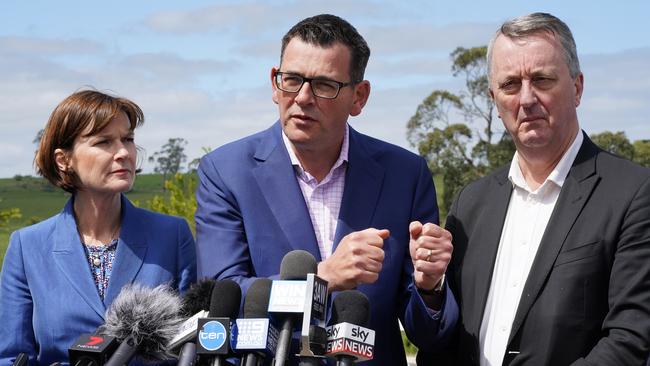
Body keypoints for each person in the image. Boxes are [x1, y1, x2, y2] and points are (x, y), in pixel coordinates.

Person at [195, 14, 457, 365]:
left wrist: (430, 287)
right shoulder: (226, 172)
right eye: (291, 80)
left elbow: (429, 334)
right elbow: (221, 299)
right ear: (275, 84)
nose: (302, 98)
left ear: (359, 97)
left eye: (323, 85)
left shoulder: (405, 175)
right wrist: (322, 278)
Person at [416, 12, 650, 366]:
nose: (526, 99)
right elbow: (443, 341)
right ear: (494, 99)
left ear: (577, 87)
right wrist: (432, 290)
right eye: (510, 85)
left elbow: (631, 340)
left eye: (541, 80)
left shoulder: (633, 193)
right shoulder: (471, 204)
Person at [0, 90, 197, 365]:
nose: (123, 153)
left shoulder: (172, 235)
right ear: (64, 160)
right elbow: (11, 356)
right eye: (104, 142)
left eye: (127, 139)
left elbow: (193, 347)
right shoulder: (28, 247)